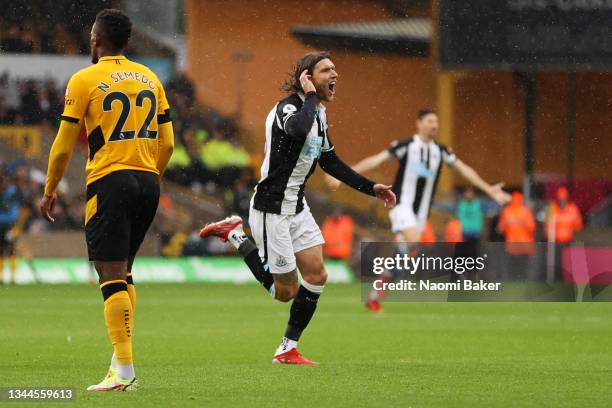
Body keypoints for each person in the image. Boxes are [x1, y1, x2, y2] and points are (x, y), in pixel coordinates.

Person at [200, 51, 396, 365]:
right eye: (326, 70)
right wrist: (307, 95)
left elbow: (330, 161)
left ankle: (287, 348)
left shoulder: (316, 113)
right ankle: (236, 235)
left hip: (297, 207)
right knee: (284, 292)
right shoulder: (288, 109)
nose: (335, 75)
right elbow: (298, 129)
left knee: (317, 274)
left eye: (335, 69)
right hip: (271, 208)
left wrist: (370, 188)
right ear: (307, 77)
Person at [40, 9, 174, 391]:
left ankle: (125, 372)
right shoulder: (150, 77)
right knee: (125, 271)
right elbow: (169, 143)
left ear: (96, 40)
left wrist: (50, 190)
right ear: (127, 42)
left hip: (110, 181)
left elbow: (64, 145)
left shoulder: (85, 79)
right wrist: (149, 175)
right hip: (148, 180)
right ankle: (121, 362)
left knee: (109, 275)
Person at [326, 109, 510, 312]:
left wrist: (488, 188)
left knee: (405, 253)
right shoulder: (406, 146)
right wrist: (344, 175)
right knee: (412, 239)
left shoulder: (441, 151)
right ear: (419, 123)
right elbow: (376, 160)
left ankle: (375, 295)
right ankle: (399, 245)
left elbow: (464, 169)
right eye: (430, 121)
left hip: (421, 213)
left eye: (437, 122)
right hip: (401, 205)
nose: (435, 125)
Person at [545, 186, 583, 279]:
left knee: (568, 264)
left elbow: (578, 225)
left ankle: (568, 280)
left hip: (568, 241)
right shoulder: (552, 208)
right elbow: (547, 225)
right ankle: (557, 279)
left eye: (563, 199)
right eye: (560, 199)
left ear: (566, 198)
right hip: (556, 242)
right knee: (557, 264)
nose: (562, 201)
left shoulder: (573, 209)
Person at [497, 192, 535, 280]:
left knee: (512, 268)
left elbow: (500, 228)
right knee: (523, 268)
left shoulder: (506, 211)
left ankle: (513, 281)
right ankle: (522, 281)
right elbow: (532, 228)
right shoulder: (526, 211)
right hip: (524, 245)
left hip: (511, 245)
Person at [0, 171, 21, 284]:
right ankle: (2, 277)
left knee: (11, 250)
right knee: (1, 251)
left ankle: (13, 278)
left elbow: (14, 212)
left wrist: (12, 224)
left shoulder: (11, 194)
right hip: (2, 227)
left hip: (9, 227)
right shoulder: (9, 194)